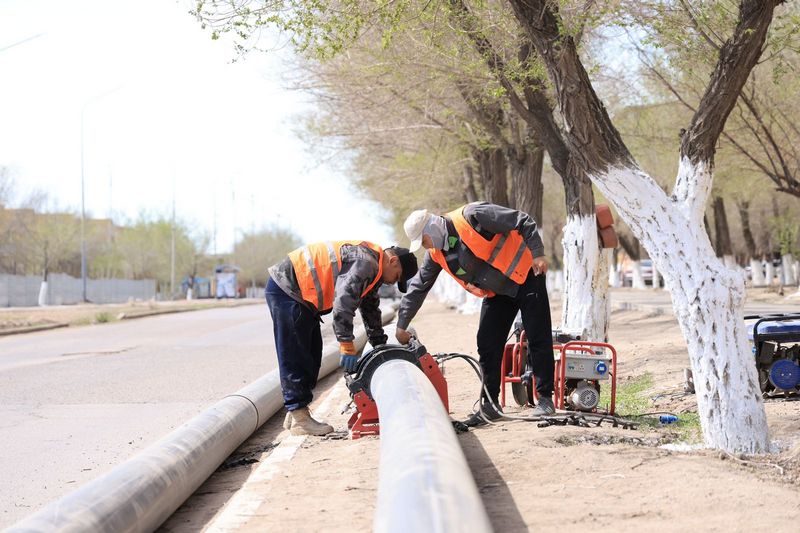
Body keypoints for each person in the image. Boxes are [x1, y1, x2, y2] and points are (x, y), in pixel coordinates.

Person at [395, 202, 554, 425]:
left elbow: (522, 220)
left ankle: (545, 399)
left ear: (432, 228)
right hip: (498, 292)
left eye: (424, 240)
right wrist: (402, 324)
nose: (426, 246)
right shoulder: (436, 255)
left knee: (538, 336)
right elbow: (419, 287)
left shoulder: (474, 215)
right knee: (487, 342)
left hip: (527, 275)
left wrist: (538, 253)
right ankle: (490, 405)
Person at [267, 241, 418, 436]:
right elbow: (343, 303)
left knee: (312, 354)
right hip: (288, 288)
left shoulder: (374, 267)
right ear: (394, 261)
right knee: (296, 353)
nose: (392, 283)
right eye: (396, 277)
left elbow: (370, 307)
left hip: (301, 294)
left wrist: (379, 343)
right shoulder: (365, 263)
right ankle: (299, 417)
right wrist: (346, 344)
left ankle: (297, 411)